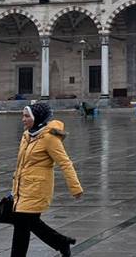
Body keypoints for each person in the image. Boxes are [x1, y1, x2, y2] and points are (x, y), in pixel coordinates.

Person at [11, 103, 83, 257]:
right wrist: (14, 188)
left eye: (26, 116)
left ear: (37, 118)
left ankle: (60, 242)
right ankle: (61, 242)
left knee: (23, 223)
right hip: (22, 188)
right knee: (27, 224)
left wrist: (75, 187)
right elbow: (21, 165)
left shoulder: (49, 138)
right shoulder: (27, 135)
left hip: (37, 189)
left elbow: (65, 162)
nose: (23, 119)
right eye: (23, 115)